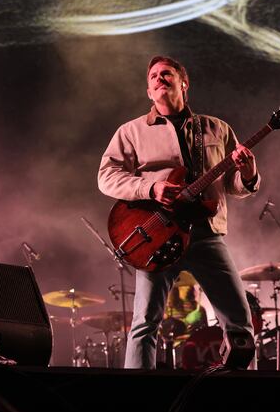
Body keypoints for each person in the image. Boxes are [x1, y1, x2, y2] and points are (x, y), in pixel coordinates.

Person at [97, 55, 260, 369]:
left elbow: (234, 185)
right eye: (153, 76)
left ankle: (241, 389)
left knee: (240, 321)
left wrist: (249, 173)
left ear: (184, 84)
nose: (159, 78)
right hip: (158, 235)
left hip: (206, 235)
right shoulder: (131, 131)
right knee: (145, 323)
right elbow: (106, 177)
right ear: (149, 92)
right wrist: (151, 188)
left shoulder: (216, 128)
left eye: (167, 73)